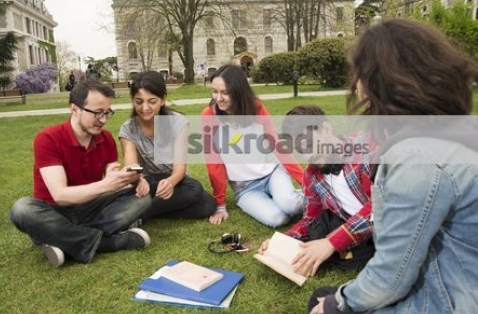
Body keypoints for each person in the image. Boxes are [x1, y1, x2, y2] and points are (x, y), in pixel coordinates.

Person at [303, 19, 478, 314]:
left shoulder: (416, 159)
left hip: (446, 303)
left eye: (358, 75)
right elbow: (312, 212)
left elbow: (391, 276)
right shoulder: (451, 133)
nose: (356, 86)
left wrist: (336, 304)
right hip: (450, 282)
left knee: (323, 307)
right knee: (323, 297)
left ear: (378, 80)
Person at [10, 79, 152, 268]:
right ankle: (108, 242)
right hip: (54, 212)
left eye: (107, 112)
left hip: (89, 207)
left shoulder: (106, 138)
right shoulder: (48, 139)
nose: (103, 120)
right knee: (22, 209)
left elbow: (112, 179)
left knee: (142, 198)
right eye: (97, 113)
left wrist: (133, 180)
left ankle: (62, 239)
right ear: (74, 109)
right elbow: (60, 196)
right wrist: (106, 184)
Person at [258, 105, 374, 278]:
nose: (307, 156)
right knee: (321, 223)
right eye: (301, 150)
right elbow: (310, 220)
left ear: (326, 128)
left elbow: (381, 208)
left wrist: (331, 243)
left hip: (392, 224)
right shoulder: (311, 175)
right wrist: (280, 242)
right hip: (353, 225)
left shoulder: (364, 149)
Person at [202, 64, 305, 227]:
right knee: (277, 219)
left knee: (290, 205)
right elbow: (214, 162)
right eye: (215, 91)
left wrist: (306, 181)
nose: (218, 98)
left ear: (238, 91)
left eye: (225, 92)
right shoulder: (209, 116)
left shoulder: (256, 108)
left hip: (272, 173)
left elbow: (277, 145)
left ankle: (304, 196)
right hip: (245, 188)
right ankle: (283, 197)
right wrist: (220, 204)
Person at [119, 71, 216, 220]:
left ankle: (141, 213)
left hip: (176, 181)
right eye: (139, 101)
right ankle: (146, 211)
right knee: (196, 194)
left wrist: (170, 183)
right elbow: (131, 166)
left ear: (163, 100)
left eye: (152, 101)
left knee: (205, 201)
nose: (145, 108)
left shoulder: (177, 122)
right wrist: (138, 179)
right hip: (147, 182)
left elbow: (179, 169)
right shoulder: (128, 129)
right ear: (132, 100)